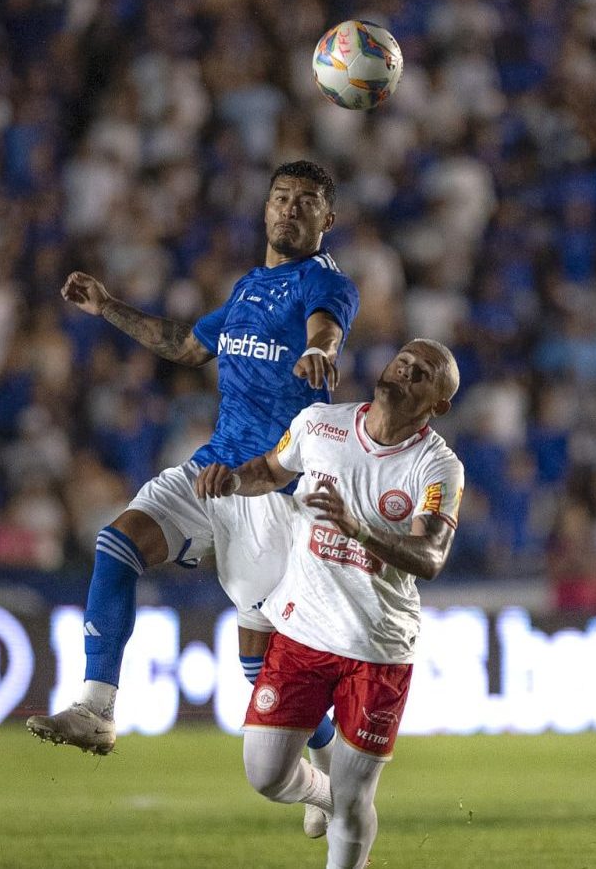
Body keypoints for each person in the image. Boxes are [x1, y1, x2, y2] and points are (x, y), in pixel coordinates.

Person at [27, 161, 359, 783]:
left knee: (262, 670)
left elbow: (326, 327)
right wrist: (108, 308)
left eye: (305, 201)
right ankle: (97, 708)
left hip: (275, 487)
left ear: (326, 219)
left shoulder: (326, 283)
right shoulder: (246, 290)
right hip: (213, 468)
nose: (289, 209)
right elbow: (185, 345)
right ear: (264, 210)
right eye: (280, 198)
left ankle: (329, 763)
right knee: (116, 543)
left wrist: (320, 349)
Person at [194, 339, 464, 869]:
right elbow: (272, 470)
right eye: (403, 360)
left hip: (377, 647)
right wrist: (233, 479)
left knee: (356, 793)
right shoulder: (320, 423)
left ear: (439, 404)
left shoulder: (438, 467)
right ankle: (324, 794)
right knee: (265, 775)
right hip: (301, 634)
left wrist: (356, 527)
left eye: (423, 373)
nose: (406, 370)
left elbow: (430, 556)